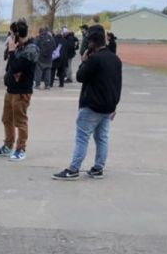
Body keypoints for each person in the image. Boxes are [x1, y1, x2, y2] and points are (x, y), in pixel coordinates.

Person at [52, 27, 123, 180]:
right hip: (107, 106)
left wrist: (84, 62)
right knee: (102, 137)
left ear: (92, 42)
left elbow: (80, 77)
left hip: (92, 105)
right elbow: (118, 84)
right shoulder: (115, 59)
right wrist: (114, 105)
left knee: (82, 137)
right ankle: (98, 167)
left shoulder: (95, 59)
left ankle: (74, 168)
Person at [0, 22, 39, 161]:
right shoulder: (19, 47)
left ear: (17, 34)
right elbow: (9, 64)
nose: (10, 36)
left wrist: (12, 50)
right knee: (6, 119)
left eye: (12, 34)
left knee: (20, 121)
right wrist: (10, 50)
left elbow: (17, 67)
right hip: (11, 89)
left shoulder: (31, 49)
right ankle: (8, 145)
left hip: (21, 91)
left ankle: (20, 148)